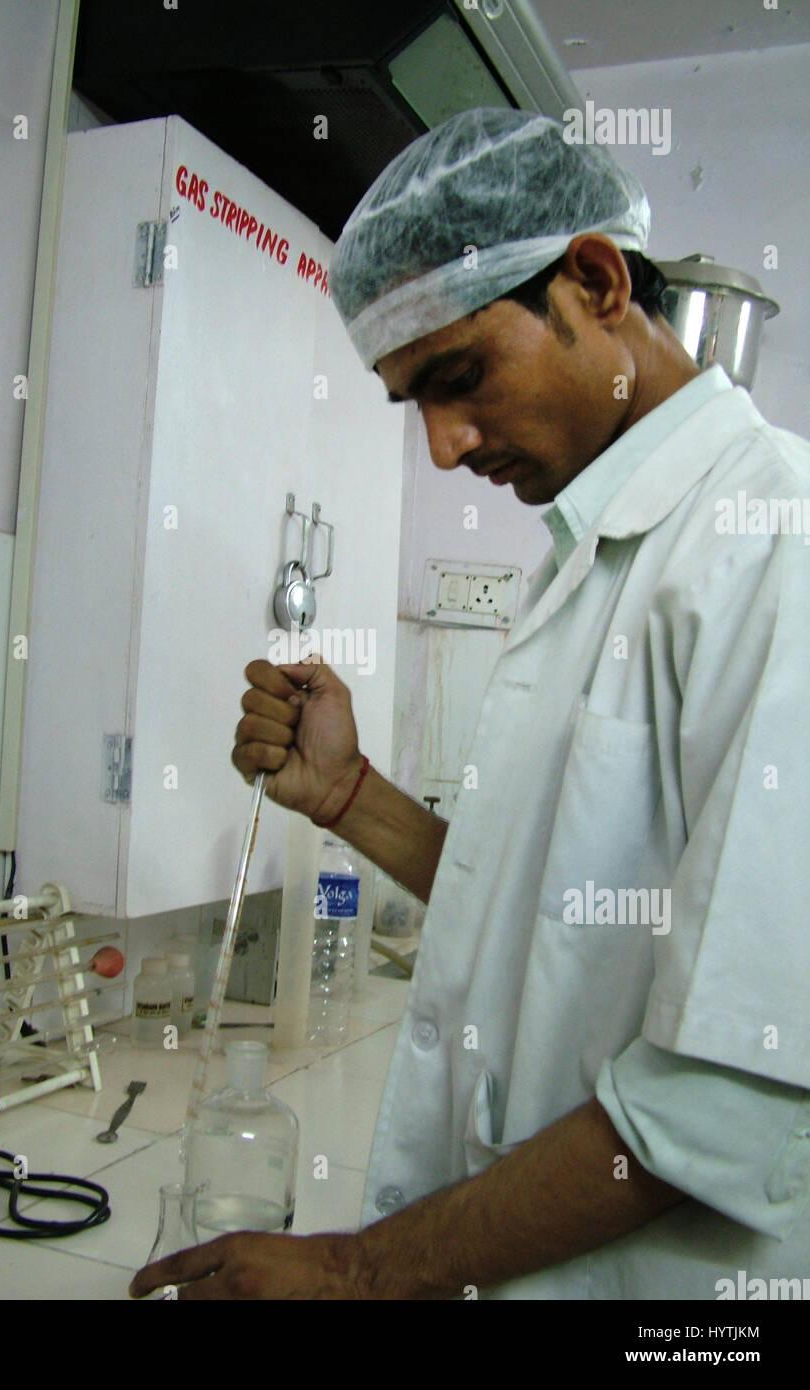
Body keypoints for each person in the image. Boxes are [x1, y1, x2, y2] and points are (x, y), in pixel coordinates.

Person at [130, 108, 810, 1300]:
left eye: (458, 378)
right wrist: (350, 798)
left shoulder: (771, 544)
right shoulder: (582, 558)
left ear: (594, 281)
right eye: (412, 404)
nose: (442, 447)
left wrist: (357, 1271)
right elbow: (560, 909)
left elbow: (729, 1089)